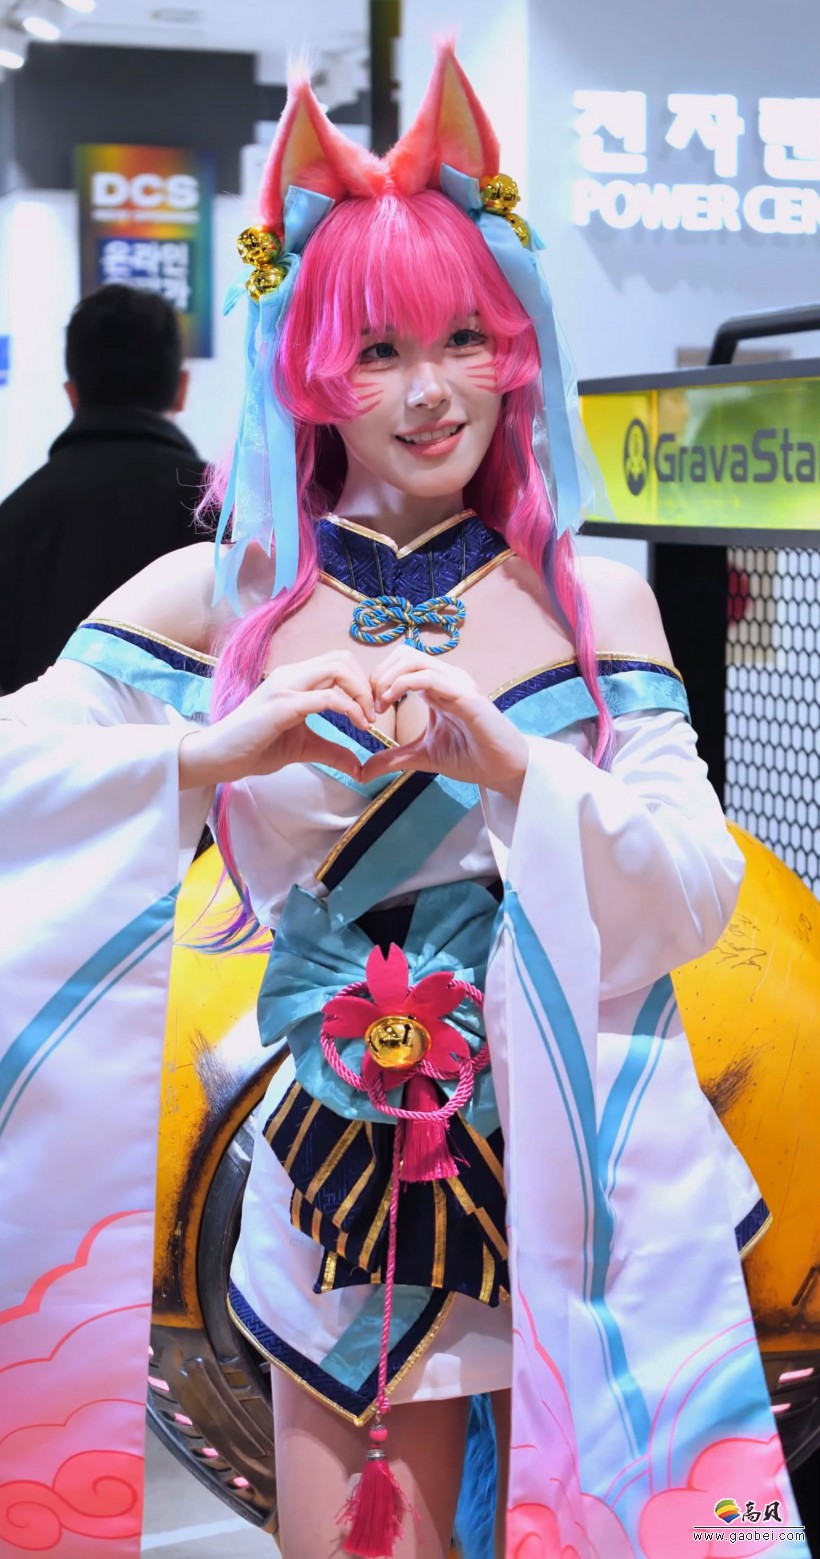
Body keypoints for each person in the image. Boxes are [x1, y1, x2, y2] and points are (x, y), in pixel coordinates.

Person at [0, 45, 809, 1559]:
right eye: (376, 349)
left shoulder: (593, 601)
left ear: (514, 347)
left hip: (590, 1162)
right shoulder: (222, 595)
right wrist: (214, 753)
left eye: (464, 339)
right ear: (309, 364)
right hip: (342, 1178)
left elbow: (694, 885)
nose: (432, 392)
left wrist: (516, 769)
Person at [0, 284, 205, 693]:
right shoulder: (221, 509)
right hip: (207, 738)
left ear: (72, 394)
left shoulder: (13, 519)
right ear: (182, 389)